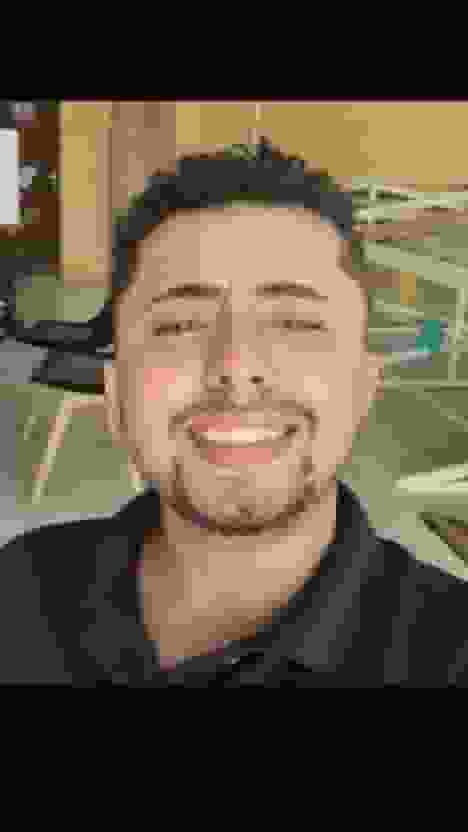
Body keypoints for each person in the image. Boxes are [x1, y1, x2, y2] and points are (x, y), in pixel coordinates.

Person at [1, 138, 467, 687]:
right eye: (179, 325)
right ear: (116, 390)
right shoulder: (22, 587)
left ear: (364, 386)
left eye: (295, 323)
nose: (236, 367)